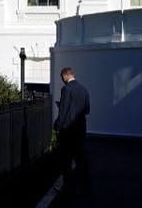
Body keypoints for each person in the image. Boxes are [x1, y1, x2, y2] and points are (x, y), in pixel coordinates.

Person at [54, 66, 91, 196]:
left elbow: (63, 112)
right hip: (80, 131)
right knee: (81, 160)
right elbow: (87, 110)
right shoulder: (84, 90)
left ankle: (68, 188)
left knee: (66, 161)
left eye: (62, 78)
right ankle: (85, 188)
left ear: (65, 76)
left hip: (68, 132)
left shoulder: (66, 89)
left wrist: (57, 126)